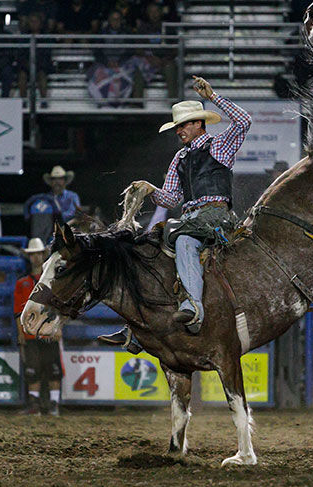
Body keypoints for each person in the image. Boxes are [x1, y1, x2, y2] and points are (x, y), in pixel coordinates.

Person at [99, 75, 252, 351]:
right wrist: (149, 189)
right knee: (147, 251)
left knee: (183, 240)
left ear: (198, 123)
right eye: (177, 126)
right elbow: (170, 198)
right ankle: (137, 328)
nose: (179, 130)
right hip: (191, 218)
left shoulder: (218, 146)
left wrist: (213, 97)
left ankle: (194, 307)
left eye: (183, 125)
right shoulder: (179, 158)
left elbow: (244, 121)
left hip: (215, 216)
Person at [14, 238, 63, 416]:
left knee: (53, 368)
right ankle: (37, 405)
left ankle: (52, 405)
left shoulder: (52, 280)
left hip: (47, 330)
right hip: (31, 332)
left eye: (37, 254)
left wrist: (58, 327)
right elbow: (18, 312)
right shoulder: (23, 283)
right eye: (32, 254)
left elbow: (58, 306)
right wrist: (21, 334)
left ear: (43, 254)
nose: (35, 257)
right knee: (33, 369)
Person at [18, 11, 52, 108]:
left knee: (42, 75)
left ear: (40, 23)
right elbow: (20, 54)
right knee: (22, 75)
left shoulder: (46, 37)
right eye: (31, 21)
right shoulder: (24, 37)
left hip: (41, 65)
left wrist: (36, 65)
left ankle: (44, 101)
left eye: (36, 21)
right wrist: (28, 64)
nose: (34, 24)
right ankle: (23, 101)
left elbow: (47, 54)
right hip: (26, 65)